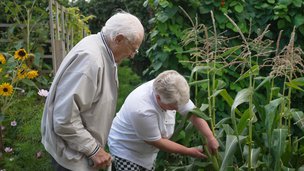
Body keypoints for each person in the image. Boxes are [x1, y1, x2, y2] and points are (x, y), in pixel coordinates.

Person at [41, 11, 144, 171]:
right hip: (72, 156)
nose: (132, 55)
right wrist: (94, 150)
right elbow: (64, 118)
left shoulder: (103, 50)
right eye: (133, 49)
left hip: (78, 151)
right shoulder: (91, 60)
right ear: (118, 39)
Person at [108, 70, 219, 171]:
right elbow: (157, 141)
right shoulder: (142, 110)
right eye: (172, 107)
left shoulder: (174, 89)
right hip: (127, 149)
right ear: (158, 98)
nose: (177, 109)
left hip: (147, 151)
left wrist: (210, 137)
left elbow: (193, 114)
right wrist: (189, 151)